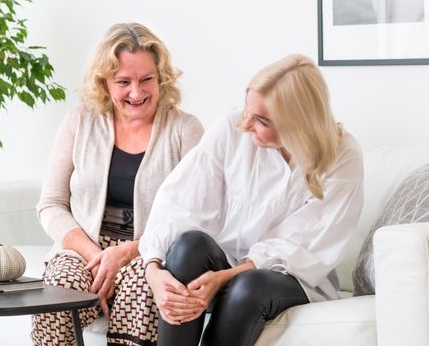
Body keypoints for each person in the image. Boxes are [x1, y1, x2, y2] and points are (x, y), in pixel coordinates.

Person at [139, 54, 364, 346]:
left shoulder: (342, 156)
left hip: (289, 277)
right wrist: (154, 270)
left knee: (247, 285)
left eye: (261, 120)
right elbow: (179, 201)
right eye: (247, 110)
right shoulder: (231, 128)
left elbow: (297, 248)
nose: (245, 125)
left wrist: (226, 277)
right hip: (227, 261)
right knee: (188, 247)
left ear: (297, 124)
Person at [31, 22, 204, 346]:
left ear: (161, 78)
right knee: (58, 289)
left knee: (141, 289)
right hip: (83, 250)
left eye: (146, 79)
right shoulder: (79, 121)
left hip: (150, 252)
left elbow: (195, 215)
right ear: (104, 82)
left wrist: (126, 253)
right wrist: (98, 257)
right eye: (123, 82)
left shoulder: (185, 130)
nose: (136, 93)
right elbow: (51, 204)